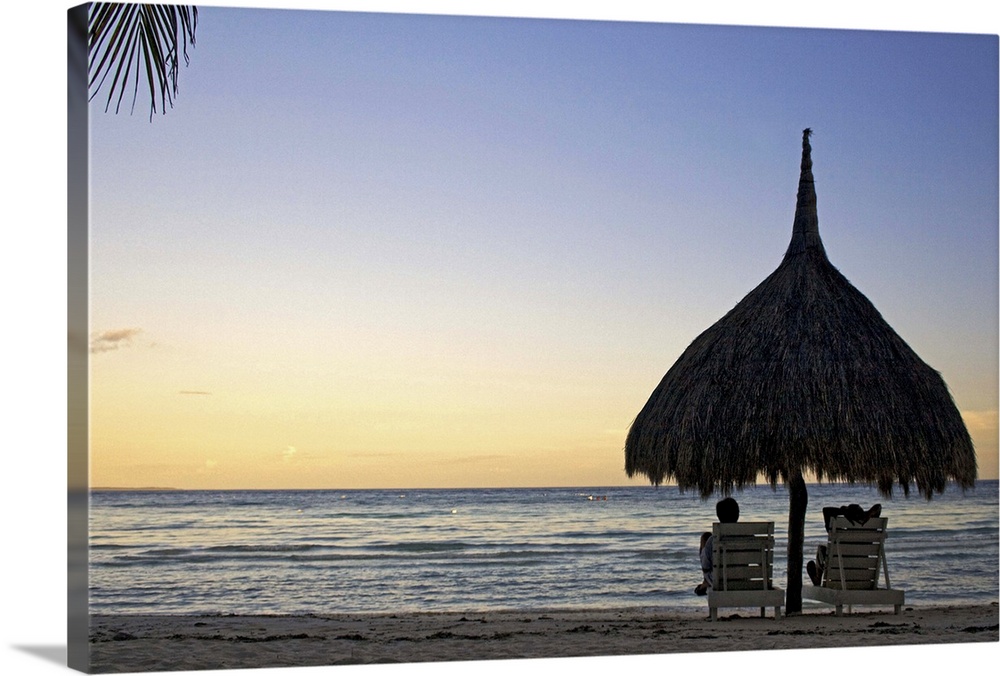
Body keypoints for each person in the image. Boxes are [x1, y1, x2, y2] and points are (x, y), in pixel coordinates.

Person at [806, 503, 881, 586]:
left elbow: (826, 510)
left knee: (822, 549)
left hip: (839, 577)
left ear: (847, 516)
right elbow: (878, 507)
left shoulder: (838, 532)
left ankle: (817, 579)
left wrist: (843, 511)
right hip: (864, 576)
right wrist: (867, 514)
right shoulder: (869, 531)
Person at [694, 497, 740, 596]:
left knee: (705, 537)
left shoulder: (712, 540)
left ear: (719, 516)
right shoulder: (749, 537)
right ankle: (705, 582)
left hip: (719, 581)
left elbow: (705, 567)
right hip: (743, 579)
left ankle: (705, 583)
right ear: (737, 514)